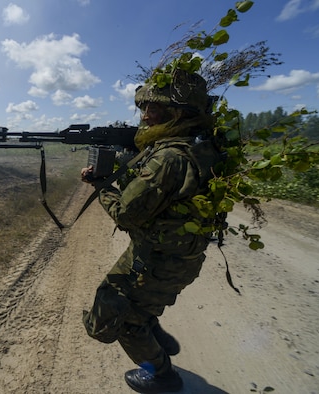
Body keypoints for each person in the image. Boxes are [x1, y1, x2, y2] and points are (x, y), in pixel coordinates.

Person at [81, 70, 222, 393]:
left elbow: (126, 214)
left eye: (154, 110)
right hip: (173, 251)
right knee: (141, 305)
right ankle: (156, 336)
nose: (145, 117)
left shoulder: (169, 157)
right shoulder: (199, 145)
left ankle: (162, 375)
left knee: (125, 320)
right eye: (143, 108)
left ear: (178, 113)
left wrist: (100, 184)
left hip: (159, 259)